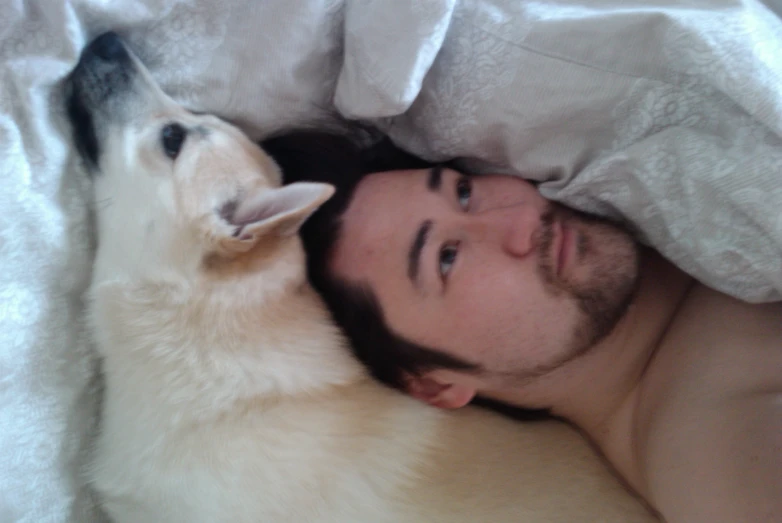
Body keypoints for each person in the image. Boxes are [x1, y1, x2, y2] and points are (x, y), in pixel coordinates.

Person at [261, 127, 782, 523]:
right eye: (446, 258)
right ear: (434, 384)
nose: (517, 220)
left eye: (464, 193)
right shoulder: (719, 459)